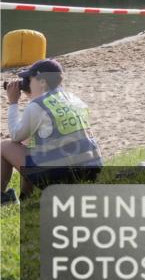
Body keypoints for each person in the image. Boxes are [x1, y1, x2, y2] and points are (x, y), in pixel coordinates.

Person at [2, 60, 103, 204]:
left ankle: (2, 198)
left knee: (4, 147)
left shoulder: (37, 106)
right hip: (91, 171)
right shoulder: (74, 100)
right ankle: (25, 198)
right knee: (30, 146)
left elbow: (15, 135)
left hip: (60, 178)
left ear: (42, 82)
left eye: (29, 79)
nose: (27, 83)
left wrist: (13, 102)